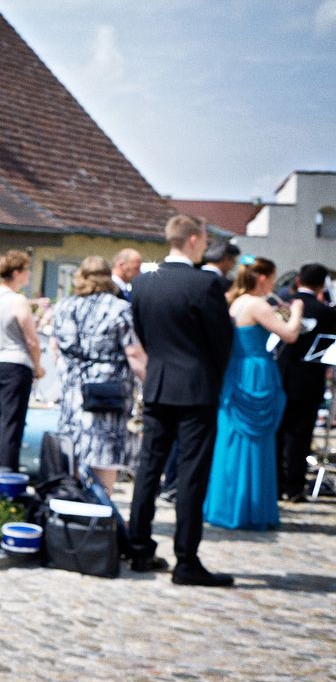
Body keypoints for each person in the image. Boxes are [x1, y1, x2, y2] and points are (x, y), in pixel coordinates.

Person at [126, 214, 235, 587]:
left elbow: (143, 334)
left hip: (158, 384)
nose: (205, 244)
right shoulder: (206, 284)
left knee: (148, 470)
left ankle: (138, 548)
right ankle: (186, 560)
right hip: (196, 388)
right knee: (190, 475)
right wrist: (211, 376)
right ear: (192, 239)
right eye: (204, 238)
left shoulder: (142, 283)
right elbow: (222, 342)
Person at [203, 256, 302, 530]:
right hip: (254, 370)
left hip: (238, 370)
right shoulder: (257, 304)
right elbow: (290, 334)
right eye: (272, 278)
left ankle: (227, 504)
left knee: (233, 438)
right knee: (255, 441)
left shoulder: (237, 302)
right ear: (262, 279)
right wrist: (297, 310)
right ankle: (251, 508)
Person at [51, 256, 147, 495]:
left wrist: (68, 374)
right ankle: (100, 514)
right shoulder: (119, 309)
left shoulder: (64, 306)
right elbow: (134, 353)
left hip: (75, 390)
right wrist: (150, 384)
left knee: (74, 451)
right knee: (104, 455)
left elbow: (54, 348)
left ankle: (75, 508)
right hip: (108, 391)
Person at [276, 263, 336, 502]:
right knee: (301, 436)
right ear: (322, 285)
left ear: (298, 279)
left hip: (282, 375)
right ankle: (295, 487)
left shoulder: (285, 305)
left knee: (278, 433)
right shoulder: (327, 312)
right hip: (310, 379)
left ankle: (275, 483)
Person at [0, 250, 44, 470]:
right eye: (26, 270)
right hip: (14, 362)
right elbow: (31, 340)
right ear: (16, 273)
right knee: (11, 423)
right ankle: (8, 472)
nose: (28, 274)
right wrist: (38, 366)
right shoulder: (17, 300)